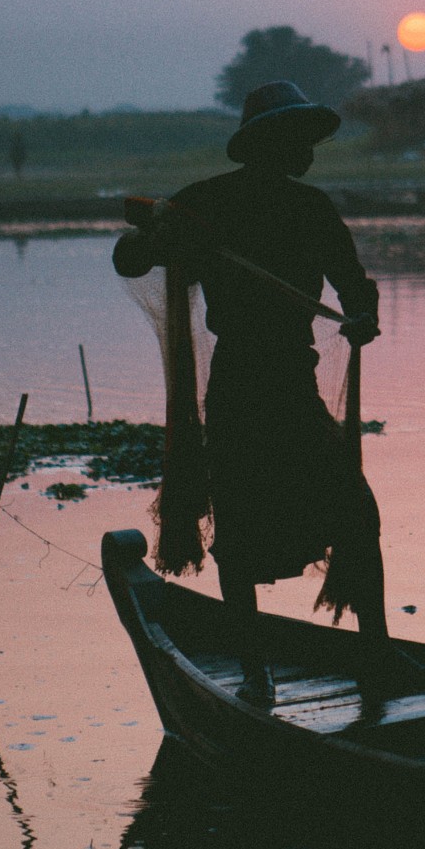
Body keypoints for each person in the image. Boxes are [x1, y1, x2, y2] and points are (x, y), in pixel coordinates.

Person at [112, 80, 387, 702]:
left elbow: (354, 283)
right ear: (269, 144)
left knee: (355, 515)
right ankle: (255, 674)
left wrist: (363, 317)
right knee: (237, 529)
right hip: (239, 384)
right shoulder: (202, 207)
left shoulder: (312, 208)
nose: (309, 154)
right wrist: (157, 236)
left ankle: (376, 658)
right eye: (298, 142)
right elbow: (129, 259)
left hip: (295, 377)